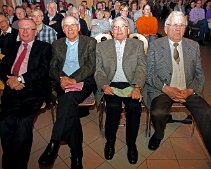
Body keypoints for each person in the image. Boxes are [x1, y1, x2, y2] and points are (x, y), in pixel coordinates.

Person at [146, 11, 211, 157]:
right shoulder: (155, 46)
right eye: (174, 25)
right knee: (157, 112)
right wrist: (166, 89)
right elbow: (149, 74)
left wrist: (190, 90)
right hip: (163, 89)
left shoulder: (193, 46)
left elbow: (200, 75)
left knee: (207, 112)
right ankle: (158, 134)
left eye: (182, 25)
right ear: (166, 28)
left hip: (188, 89)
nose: (178, 28)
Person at [38, 16, 96, 169]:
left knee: (68, 101)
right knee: (71, 110)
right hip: (62, 82)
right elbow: (52, 68)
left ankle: (54, 141)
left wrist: (74, 79)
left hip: (83, 81)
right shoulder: (57, 44)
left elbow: (91, 66)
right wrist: (62, 79)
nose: (70, 28)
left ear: (78, 27)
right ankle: (76, 157)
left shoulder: (89, 42)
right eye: (66, 26)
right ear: (63, 29)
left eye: (73, 25)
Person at [0, 18, 52, 169]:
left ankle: (19, 164)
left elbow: (43, 69)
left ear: (35, 32)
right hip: (12, 88)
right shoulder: (12, 46)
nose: (25, 31)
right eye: (22, 28)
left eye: (29, 28)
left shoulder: (44, 47)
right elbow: (2, 67)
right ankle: (8, 163)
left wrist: (21, 78)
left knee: (23, 122)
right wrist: (9, 80)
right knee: (5, 122)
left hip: (33, 90)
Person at [95, 16, 147, 164]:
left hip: (131, 84)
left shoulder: (136, 45)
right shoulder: (101, 46)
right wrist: (104, 85)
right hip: (111, 84)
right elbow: (98, 70)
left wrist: (137, 87)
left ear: (128, 30)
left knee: (134, 107)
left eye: (122, 27)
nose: (118, 30)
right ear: (111, 31)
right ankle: (110, 142)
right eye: (115, 27)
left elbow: (142, 68)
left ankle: (131, 144)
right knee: (112, 107)